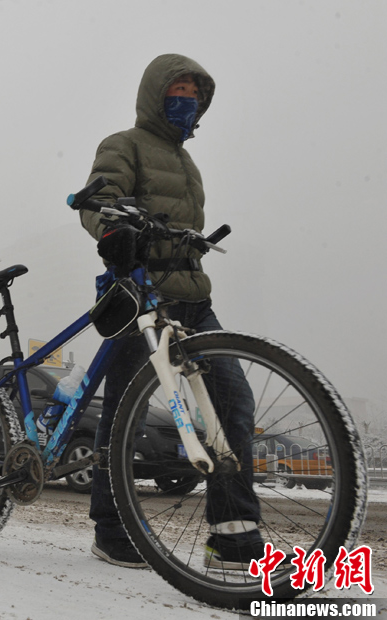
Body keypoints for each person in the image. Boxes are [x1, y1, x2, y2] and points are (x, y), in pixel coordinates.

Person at [80, 54, 261, 570]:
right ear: (155, 95)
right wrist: (112, 230)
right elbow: (99, 198)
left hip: (194, 301)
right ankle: (112, 528)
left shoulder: (187, 163)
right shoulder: (124, 144)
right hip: (141, 297)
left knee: (233, 402)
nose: (188, 99)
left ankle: (232, 538)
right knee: (124, 414)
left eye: (195, 93)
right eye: (179, 89)